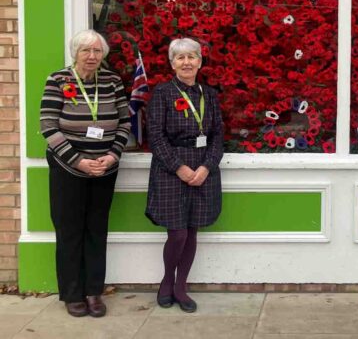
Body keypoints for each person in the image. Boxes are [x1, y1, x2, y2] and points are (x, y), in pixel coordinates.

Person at [40, 29, 131, 317]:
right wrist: (78, 160)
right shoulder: (58, 80)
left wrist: (112, 155)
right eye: (85, 51)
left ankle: (93, 291)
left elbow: (125, 122)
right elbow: (48, 126)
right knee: (70, 231)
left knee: (96, 230)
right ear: (75, 53)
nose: (92, 56)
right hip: (68, 169)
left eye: (97, 51)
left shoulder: (112, 80)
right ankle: (72, 293)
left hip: (105, 168)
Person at [146, 38, 224, 313]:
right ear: (172, 63)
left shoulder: (210, 95)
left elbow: (217, 137)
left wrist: (206, 167)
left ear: (200, 62)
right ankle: (167, 281)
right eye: (180, 58)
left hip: (202, 168)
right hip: (171, 169)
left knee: (192, 230)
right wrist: (180, 168)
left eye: (192, 57)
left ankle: (181, 287)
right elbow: (155, 137)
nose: (187, 62)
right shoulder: (162, 93)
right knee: (177, 233)